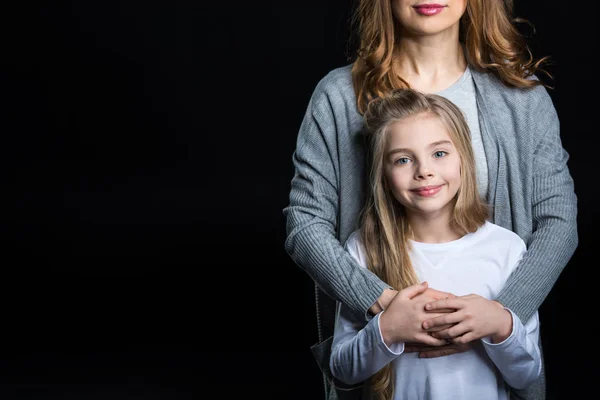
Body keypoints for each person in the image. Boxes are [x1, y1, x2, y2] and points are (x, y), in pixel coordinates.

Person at [282, 0, 578, 399]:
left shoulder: (521, 96)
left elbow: (558, 221)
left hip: (491, 370)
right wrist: (382, 304)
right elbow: (305, 224)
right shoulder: (337, 96)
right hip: (386, 376)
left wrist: (498, 316)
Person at [330, 88, 541, 400]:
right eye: (403, 159)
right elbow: (342, 370)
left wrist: (500, 324)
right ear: (383, 174)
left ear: (463, 159)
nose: (424, 171)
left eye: (439, 153)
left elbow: (526, 375)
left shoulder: (505, 248)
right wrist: (387, 330)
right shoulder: (363, 249)